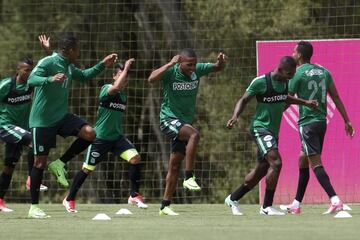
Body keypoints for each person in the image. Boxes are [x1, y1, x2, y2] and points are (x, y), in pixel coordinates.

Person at [27, 33, 117, 218]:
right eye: (77, 49)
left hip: (61, 116)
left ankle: (60, 163)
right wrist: (50, 79)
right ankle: (34, 207)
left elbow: (84, 76)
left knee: (90, 133)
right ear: (68, 50)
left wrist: (102, 64)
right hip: (42, 121)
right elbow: (31, 80)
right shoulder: (48, 62)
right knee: (39, 162)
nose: (79, 51)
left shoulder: (68, 65)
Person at [225, 56, 318, 216]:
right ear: (281, 69)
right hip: (260, 128)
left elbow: (285, 97)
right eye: (290, 73)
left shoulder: (284, 82)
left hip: (273, 131)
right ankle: (266, 207)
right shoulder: (260, 81)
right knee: (277, 162)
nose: (292, 75)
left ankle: (233, 198)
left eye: (293, 72)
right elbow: (244, 99)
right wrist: (235, 116)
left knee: (262, 170)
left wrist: (305, 102)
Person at [62, 58, 148, 213]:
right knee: (87, 169)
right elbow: (115, 88)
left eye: (127, 75)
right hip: (100, 139)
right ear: (114, 76)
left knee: (135, 158)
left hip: (117, 138)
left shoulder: (123, 96)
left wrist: (126, 71)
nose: (126, 77)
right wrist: (127, 68)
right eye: (122, 74)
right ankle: (69, 199)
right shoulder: (107, 88)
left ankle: (134, 195)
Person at [279, 41, 355, 215]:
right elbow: (335, 95)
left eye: (294, 51)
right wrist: (347, 120)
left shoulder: (297, 74)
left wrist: (273, 114)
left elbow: (288, 99)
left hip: (307, 123)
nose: (292, 54)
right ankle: (296, 204)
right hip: (321, 122)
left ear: (299, 55)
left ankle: (335, 200)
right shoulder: (324, 72)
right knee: (302, 159)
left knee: (315, 163)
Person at [148, 48, 226, 215]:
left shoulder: (197, 70)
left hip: (183, 123)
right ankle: (189, 177)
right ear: (180, 62)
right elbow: (151, 79)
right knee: (194, 135)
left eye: (194, 64)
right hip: (168, 120)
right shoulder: (171, 72)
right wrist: (169, 63)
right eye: (189, 65)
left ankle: (165, 205)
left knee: (174, 165)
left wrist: (220, 62)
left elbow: (217, 67)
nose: (192, 68)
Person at [0, 35, 52, 212]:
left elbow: (51, 69)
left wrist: (47, 50)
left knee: (9, 166)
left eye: (31, 70)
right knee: (34, 141)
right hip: (5, 126)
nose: (29, 73)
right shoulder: (7, 85)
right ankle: (32, 179)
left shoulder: (31, 85)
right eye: (26, 70)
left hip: (19, 129)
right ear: (18, 70)